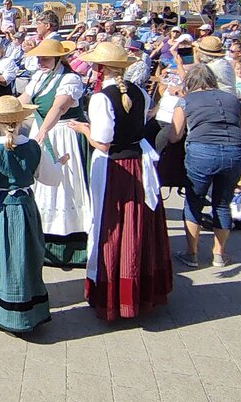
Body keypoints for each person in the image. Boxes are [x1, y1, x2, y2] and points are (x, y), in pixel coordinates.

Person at [65, 42, 172, 321]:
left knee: (112, 225)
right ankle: (141, 290)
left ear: (101, 69)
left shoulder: (101, 98)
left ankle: (114, 294)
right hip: (138, 164)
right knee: (137, 224)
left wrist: (83, 129)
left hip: (115, 168)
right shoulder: (140, 92)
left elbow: (102, 143)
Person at [0, 96, 64, 333]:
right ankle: (29, 310)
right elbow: (52, 179)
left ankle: (3, 311)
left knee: (2, 255)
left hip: (1, 208)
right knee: (26, 254)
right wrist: (59, 164)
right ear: (21, 120)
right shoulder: (33, 146)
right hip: (26, 207)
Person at [167, 64, 241, 269]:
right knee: (222, 203)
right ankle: (219, 254)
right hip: (234, 152)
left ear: (189, 82)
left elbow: (174, 135)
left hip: (202, 151)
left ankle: (192, 254)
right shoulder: (233, 100)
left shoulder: (185, 101)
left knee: (194, 202)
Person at [20, 40, 92, 269]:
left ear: (59, 59)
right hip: (43, 131)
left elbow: (59, 107)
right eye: (39, 58)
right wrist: (0, 116)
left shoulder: (71, 79)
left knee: (66, 184)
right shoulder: (38, 77)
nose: (40, 62)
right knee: (42, 184)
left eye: (46, 58)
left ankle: (72, 245)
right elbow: (23, 101)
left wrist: (42, 131)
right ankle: (43, 240)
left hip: (64, 134)